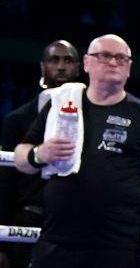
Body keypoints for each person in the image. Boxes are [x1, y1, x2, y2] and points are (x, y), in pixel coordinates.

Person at [13, 34, 140, 268]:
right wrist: (40, 154)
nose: (114, 62)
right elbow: (20, 157)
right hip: (56, 240)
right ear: (86, 63)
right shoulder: (61, 104)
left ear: (129, 67)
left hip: (118, 245)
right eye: (105, 56)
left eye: (121, 58)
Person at [0, 40, 81, 268]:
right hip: (30, 216)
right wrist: (2, 246)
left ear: (78, 67)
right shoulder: (17, 120)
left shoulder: (95, 117)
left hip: (75, 217)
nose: (61, 66)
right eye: (54, 60)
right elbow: (6, 184)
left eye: (68, 60)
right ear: (43, 67)